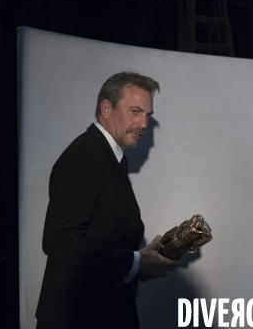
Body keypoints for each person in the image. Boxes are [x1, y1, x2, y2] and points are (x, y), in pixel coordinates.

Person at [35, 72, 181, 329]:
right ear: (106, 108)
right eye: (135, 111)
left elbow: (104, 233)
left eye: (147, 115)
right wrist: (135, 262)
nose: (144, 123)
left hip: (100, 312)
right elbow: (61, 241)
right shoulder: (86, 156)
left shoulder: (109, 157)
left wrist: (139, 259)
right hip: (80, 318)